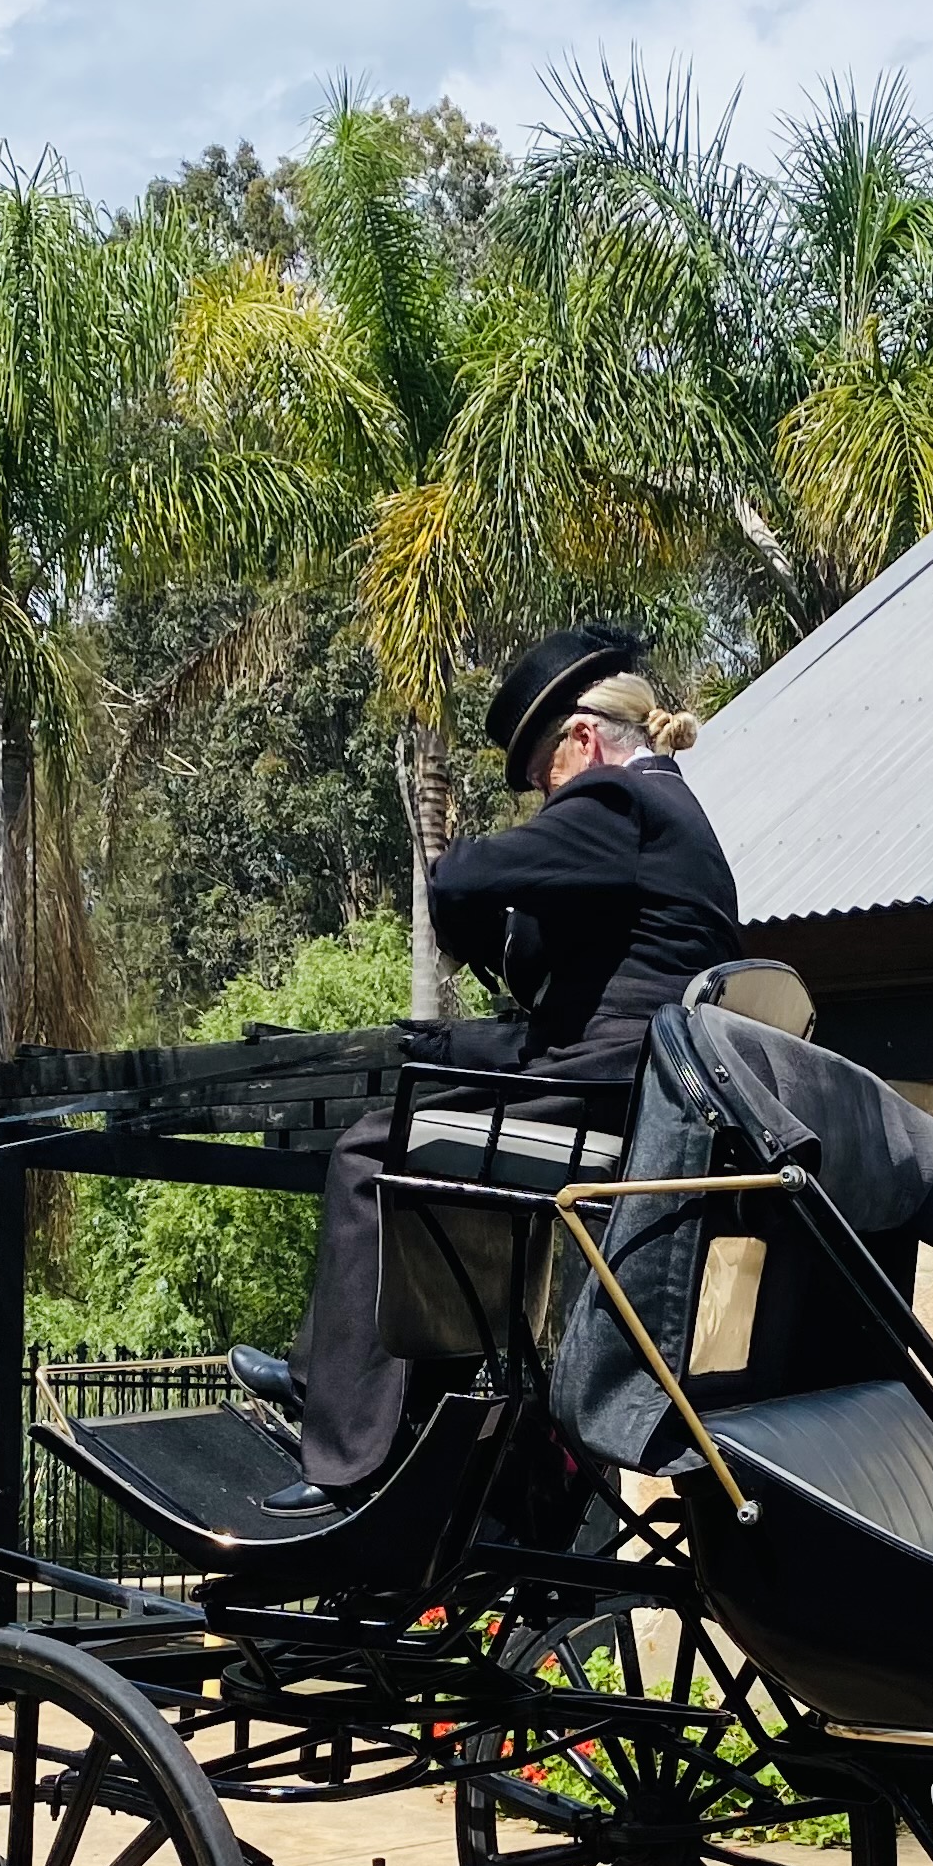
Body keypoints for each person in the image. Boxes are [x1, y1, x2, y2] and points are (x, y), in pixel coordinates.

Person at [240, 626, 739, 1509]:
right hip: (638, 1086)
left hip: (603, 1090)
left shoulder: (619, 804)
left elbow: (462, 876)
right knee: (421, 1067)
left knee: (370, 1154)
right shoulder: (675, 817)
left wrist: (479, 922)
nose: (549, 799)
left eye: (544, 774)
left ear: (584, 740)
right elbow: (560, 954)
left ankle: (348, 1451)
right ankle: (344, 1383)